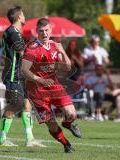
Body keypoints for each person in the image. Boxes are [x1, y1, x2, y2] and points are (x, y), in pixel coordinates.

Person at [21, 18, 82, 153]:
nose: (44, 33)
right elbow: (24, 70)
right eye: (41, 31)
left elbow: (67, 67)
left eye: (47, 30)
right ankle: (66, 145)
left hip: (54, 87)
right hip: (37, 92)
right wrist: (40, 80)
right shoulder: (32, 48)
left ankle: (68, 124)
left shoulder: (55, 45)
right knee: (52, 124)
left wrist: (62, 51)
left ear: (51, 30)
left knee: (71, 114)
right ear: (37, 31)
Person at [0, 6, 45, 147]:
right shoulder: (13, 32)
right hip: (13, 74)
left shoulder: (14, 32)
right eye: (23, 15)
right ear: (19, 17)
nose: (25, 17)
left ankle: (30, 139)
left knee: (27, 104)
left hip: (18, 74)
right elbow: (24, 52)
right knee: (17, 104)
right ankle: (2, 138)